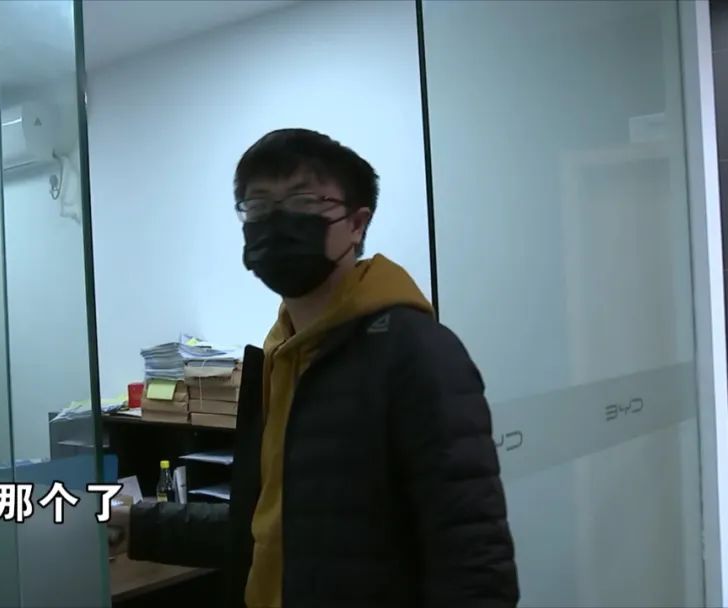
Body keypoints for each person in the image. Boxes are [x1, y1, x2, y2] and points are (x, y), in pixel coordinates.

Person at [110, 129, 519, 607]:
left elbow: (475, 563)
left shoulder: (416, 353)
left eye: (302, 201)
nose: (276, 220)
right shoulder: (278, 355)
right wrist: (134, 524)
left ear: (357, 224)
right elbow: (269, 530)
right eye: (258, 204)